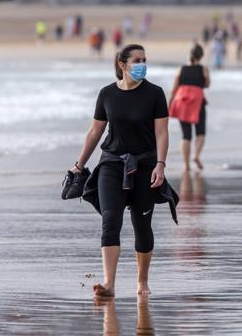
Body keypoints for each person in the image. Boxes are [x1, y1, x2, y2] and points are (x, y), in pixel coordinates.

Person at [69, 44, 170, 298]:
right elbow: (95, 132)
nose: (142, 64)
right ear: (122, 65)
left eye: (145, 59)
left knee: (142, 223)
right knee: (110, 220)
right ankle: (108, 283)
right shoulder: (106, 94)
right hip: (112, 163)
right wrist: (79, 164)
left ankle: (141, 281)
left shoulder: (155, 94)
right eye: (137, 60)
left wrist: (161, 164)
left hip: (146, 165)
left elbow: (162, 132)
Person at [169, 44, 210, 171]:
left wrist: (169, 103)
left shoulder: (181, 69)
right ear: (201, 55)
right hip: (198, 102)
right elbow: (207, 84)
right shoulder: (203, 69)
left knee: (186, 135)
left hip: (183, 102)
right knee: (200, 132)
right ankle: (196, 155)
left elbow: (174, 88)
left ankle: (186, 165)